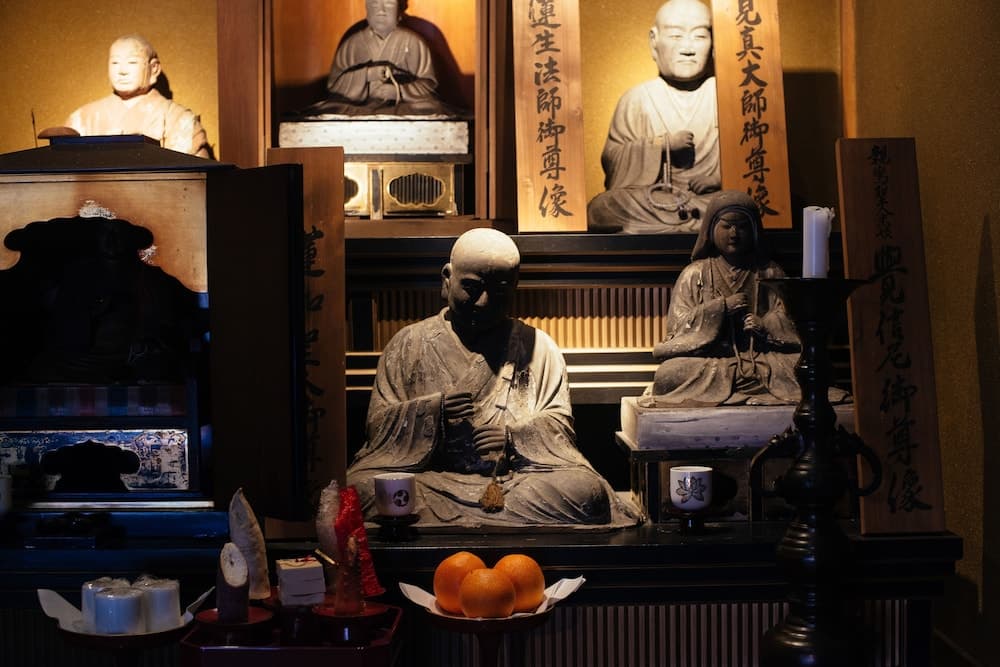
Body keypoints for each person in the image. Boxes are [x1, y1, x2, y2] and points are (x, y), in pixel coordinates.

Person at [346, 228, 639, 529]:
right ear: (447, 279)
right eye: (471, 287)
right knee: (360, 490)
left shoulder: (538, 347)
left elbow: (559, 427)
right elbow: (378, 428)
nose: (483, 302)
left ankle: (458, 518)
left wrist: (514, 438)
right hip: (432, 479)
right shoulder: (408, 344)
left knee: (586, 492)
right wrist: (433, 412)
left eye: (498, 291)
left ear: (515, 287)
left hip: (513, 481)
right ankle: (489, 518)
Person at [650, 190, 809, 405]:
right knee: (669, 374)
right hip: (712, 360)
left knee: (807, 366)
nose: (734, 234)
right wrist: (720, 308)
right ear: (711, 229)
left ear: (754, 230)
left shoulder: (769, 271)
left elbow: (788, 317)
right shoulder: (694, 273)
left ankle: (737, 388)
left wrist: (765, 325)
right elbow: (678, 326)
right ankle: (748, 388)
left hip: (762, 357)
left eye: (742, 227)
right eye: (726, 226)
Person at [587, 0, 721, 234]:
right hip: (657, 199)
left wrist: (718, 179)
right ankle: (700, 222)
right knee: (601, 209)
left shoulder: (724, 96)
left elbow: (750, 160)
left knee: (741, 202)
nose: (687, 48)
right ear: (654, 41)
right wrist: (662, 144)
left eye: (699, 36)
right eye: (676, 36)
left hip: (711, 199)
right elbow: (613, 158)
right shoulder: (638, 98)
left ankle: (701, 219)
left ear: (714, 43)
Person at [64, 35, 211, 158]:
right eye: (115, 62)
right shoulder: (82, 119)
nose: (122, 71)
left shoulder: (178, 119)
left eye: (132, 62)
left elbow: (196, 176)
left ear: (154, 68)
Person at [305, 0, 447, 116]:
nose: (381, 11)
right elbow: (334, 88)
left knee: (432, 108)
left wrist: (399, 91)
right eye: (374, 3)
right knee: (331, 109)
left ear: (399, 10)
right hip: (358, 108)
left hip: (401, 108)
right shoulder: (352, 44)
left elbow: (429, 85)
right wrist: (366, 75)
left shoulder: (414, 42)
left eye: (389, 4)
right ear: (367, 9)